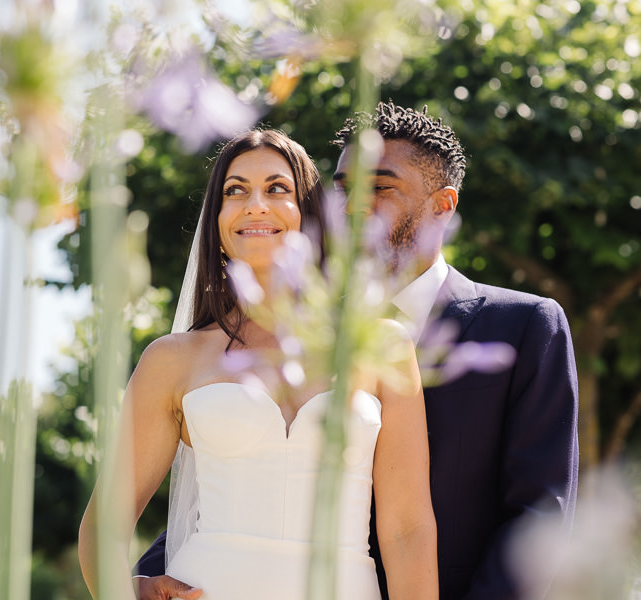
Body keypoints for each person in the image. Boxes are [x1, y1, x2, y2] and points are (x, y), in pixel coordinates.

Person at [134, 102, 579, 600]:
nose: (352, 207)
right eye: (343, 188)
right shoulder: (303, 330)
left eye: (380, 188)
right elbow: (244, 470)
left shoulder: (522, 326)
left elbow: (539, 519)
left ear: (443, 205)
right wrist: (145, 577)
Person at [78, 128, 438, 599]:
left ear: (308, 214)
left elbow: (407, 529)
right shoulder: (172, 360)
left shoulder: (382, 346)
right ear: (218, 221)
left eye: (276, 189)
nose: (255, 204)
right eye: (235, 191)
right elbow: (105, 522)